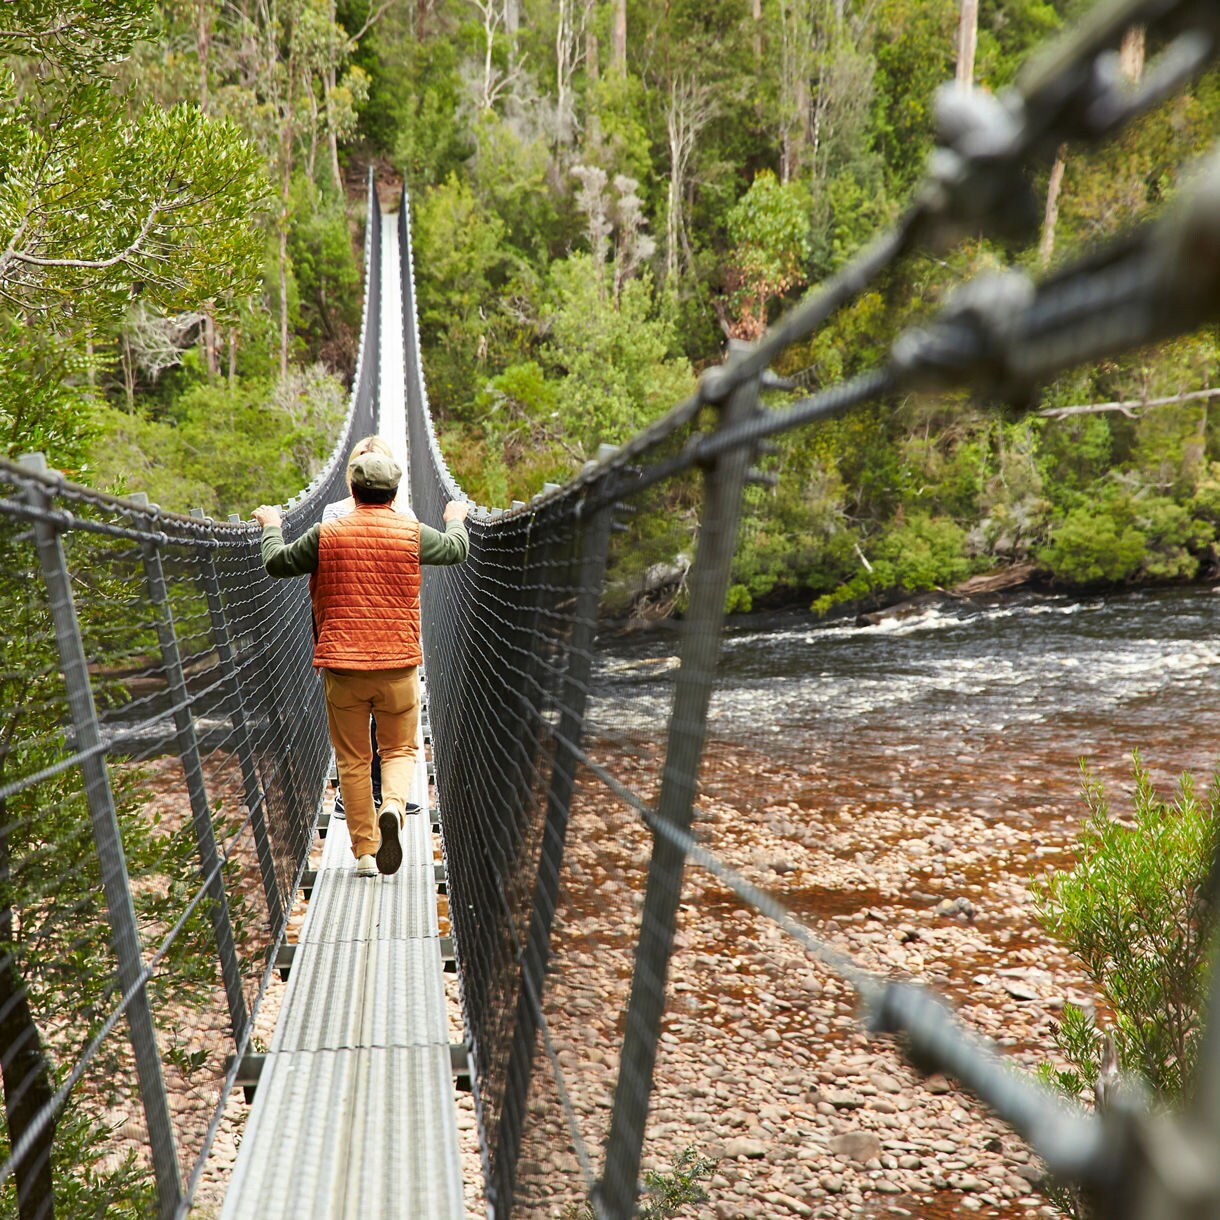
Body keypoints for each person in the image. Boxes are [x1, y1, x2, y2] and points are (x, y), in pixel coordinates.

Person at [253, 452, 469, 877]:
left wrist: (272, 526)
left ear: (352, 491)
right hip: (399, 665)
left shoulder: (326, 533)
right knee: (400, 748)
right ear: (394, 494)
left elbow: (277, 564)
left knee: (352, 760)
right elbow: (455, 550)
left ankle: (366, 853)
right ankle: (392, 805)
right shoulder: (411, 531)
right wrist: (456, 516)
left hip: (343, 669)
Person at [322, 436, 416, 818]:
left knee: (373, 731)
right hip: (349, 633)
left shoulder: (404, 518)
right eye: (362, 460)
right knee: (370, 735)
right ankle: (381, 801)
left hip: (383, 636)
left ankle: (370, 828)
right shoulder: (333, 515)